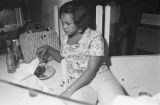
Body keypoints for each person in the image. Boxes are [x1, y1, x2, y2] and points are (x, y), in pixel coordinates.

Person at [36, 1, 124, 105]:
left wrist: (68, 91)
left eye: (68, 23)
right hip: (79, 82)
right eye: (62, 22)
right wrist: (49, 49)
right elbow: (63, 57)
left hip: (101, 77)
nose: (64, 27)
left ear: (79, 23)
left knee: (118, 102)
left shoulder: (94, 37)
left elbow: (91, 70)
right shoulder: (65, 39)